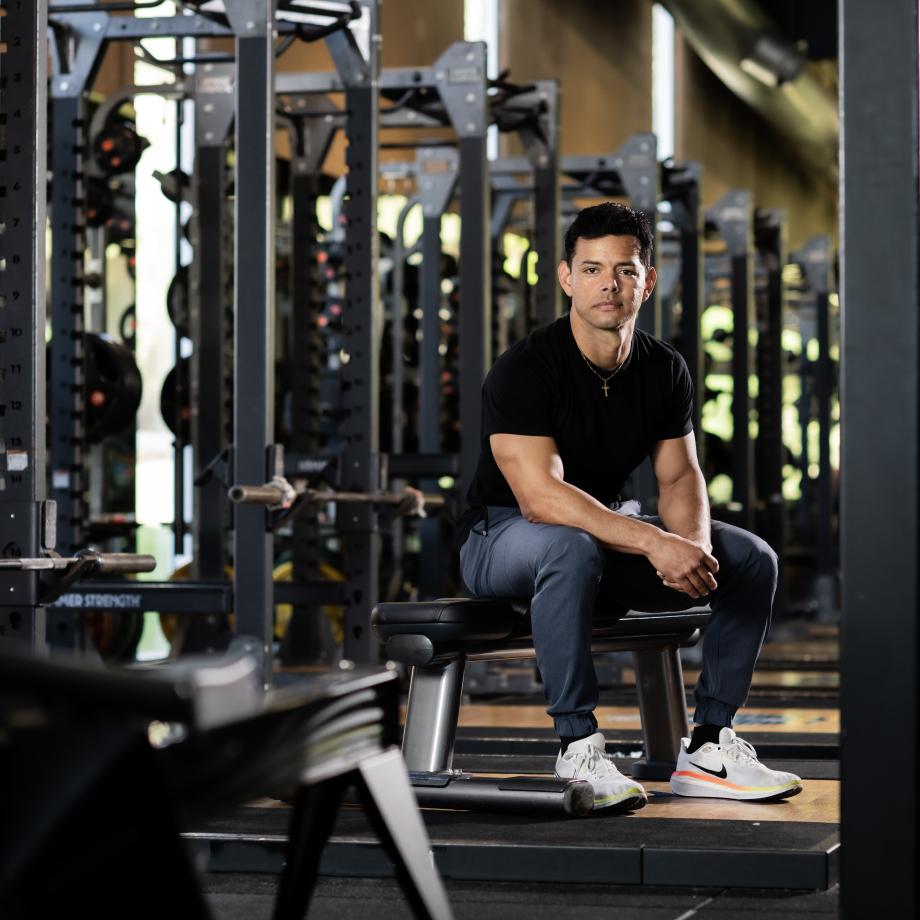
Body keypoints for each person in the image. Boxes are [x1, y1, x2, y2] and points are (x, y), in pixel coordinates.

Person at [457, 202, 802, 812]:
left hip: (601, 540)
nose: (607, 285)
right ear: (566, 277)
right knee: (569, 543)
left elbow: (680, 477)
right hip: (501, 539)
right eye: (591, 270)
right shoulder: (526, 369)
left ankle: (710, 746)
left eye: (622, 270)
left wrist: (690, 549)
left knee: (749, 558)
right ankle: (579, 746)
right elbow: (540, 500)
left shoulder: (663, 370)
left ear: (648, 279)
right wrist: (652, 542)